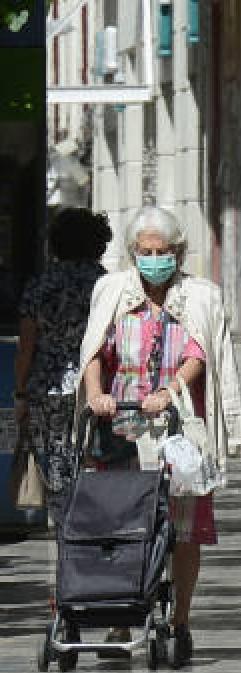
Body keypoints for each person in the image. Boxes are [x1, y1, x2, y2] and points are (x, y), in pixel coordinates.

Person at [79, 205, 241, 667]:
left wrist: (170, 390)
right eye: (146, 252)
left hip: (179, 425)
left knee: (184, 525)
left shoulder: (198, 295)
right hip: (121, 425)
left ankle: (182, 619)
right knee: (120, 523)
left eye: (163, 251)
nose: (155, 259)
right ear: (133, 253)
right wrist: (96, 394)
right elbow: (95, 348)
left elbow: (199, 351)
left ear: (177, 252)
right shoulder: (112, 291)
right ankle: (119, 615)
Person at [14, 208, 110, 523]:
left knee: (56, 461)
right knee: (94, 458)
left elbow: (27, 345)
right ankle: (91, 525)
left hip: (47, 386)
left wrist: (20, 391)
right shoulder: (105, 285)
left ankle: (66, 530)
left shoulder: (41, 284)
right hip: (95, 386)